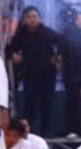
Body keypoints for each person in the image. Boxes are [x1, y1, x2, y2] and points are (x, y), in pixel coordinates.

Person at [5, 7, 62, 136]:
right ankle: (28, 133)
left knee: (46, 104)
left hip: (47, 74)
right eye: (29, 17)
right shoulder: (21, 34)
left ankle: (46, 134)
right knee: (29, 105)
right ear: (25, 19)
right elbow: (9, 49)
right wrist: (14, 54)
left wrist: (58, 56)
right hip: (29, 74)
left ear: (39, 18)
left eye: (34, 16)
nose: (32, 19)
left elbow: (62, 44)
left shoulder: (47, 32)